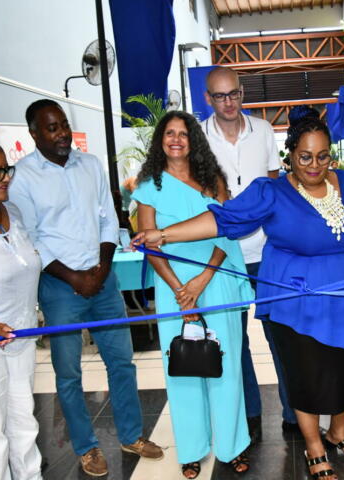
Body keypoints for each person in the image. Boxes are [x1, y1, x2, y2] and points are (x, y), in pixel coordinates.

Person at [134, 106, 344, 480]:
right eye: (305, 157)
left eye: (322, 156)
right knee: (305, 373)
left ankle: (339, 432)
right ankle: (314, 447)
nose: (314, 165)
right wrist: (163, 235)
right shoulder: (272, 191)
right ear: (289, 155)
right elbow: (223, 218)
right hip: (295, 300)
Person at [9, 99, 163, 477]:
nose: (62, 133)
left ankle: (131, 435)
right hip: (60, 287)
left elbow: (108, 219)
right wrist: (76, 278)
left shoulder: (90, 164)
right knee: (68, 373)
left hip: (103, 278)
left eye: (63, 124)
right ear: (34, 134)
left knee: (121, 362)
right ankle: (86, 447)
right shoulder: (23, 178)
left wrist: (102, 268)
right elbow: (31, 239)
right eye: (52, 128)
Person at [131, 110, 253, 479]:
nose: (176, 139)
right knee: (183, 368)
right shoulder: (148, 186)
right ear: (160, 140)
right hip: (174, 287)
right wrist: (180, 290)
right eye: (169, 133)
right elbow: (150, 246)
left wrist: (202, 280)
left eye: (183, 133)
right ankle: (191, 449)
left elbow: (226, 231)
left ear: (193, 140)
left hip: (216, 278)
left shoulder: (212, 180)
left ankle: (232, 446)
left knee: (225, 365)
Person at [200, 66, 296, 440]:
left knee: (281, 335)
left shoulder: (264, 130)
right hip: (223, 254)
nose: (229, 103)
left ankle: (294, 413)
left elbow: (274, 187)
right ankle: (249, 414)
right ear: (208, 98)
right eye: (220, 96)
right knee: (233, 340)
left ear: (242, 92)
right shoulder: (198, 137)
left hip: (268, 253)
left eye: (234, 94)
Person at [0, 140, 43, 480]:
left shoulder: (14, 213)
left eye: (7, 169)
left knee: (24, 425)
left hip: (21, 339)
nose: (6, 177)